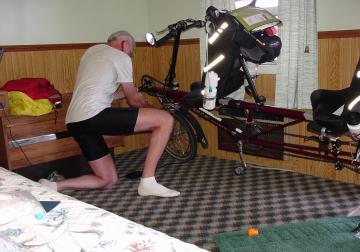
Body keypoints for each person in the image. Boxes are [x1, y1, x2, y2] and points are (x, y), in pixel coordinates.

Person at [39, 30, 180, 197]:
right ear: (125, 45)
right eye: (132, 51)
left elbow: (103, 93)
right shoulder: (121, 57)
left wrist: (132, 93)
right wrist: (154, 109)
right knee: (165, 120)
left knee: (107, 179)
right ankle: (148, 182)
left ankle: (53, 186)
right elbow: (134, 101)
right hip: (94, 115)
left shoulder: (91, 52)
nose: (131, 55)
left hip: (75, 121)